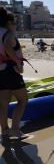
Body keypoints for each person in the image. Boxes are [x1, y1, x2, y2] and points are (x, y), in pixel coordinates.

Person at [0, 10, 29, 139]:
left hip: (0, 72)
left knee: (3, 103)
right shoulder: (9, 33)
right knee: (22, 100)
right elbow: (7, 46)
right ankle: (15, 130)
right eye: (14, 23)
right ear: (8, 23)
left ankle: (5, 131)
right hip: (11, 70)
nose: (15, 25)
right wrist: (17, 62)